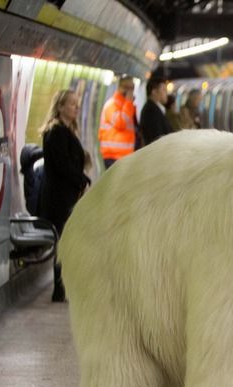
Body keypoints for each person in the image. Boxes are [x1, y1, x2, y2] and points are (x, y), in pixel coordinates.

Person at [39, 89, 92, 302]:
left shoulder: (66, 130)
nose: (76, 108)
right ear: (60, 106)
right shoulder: (57, 132)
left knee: (66, 242)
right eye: (72, 104)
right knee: (63, 243)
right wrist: (82, 179)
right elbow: (62, 165)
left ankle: (63, 289)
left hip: (65, 196)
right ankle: (60, 290)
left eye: (77, 104)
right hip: (59, 198)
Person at [98, 75, 137, 169]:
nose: (130, 91)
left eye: (132, 88)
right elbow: (121, 123)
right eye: (127, 88)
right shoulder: (112, 105)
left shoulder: (126, 105)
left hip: (124, 156)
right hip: (112, 156)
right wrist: (128, 103)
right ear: (120, 87)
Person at [139, 77, 172, 146]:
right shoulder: (151, 111)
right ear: (154, 92)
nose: (166, 93)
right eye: (163, 90)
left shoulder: (155, 108)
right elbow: (156, 138)